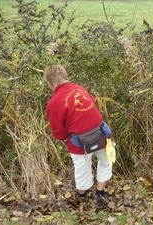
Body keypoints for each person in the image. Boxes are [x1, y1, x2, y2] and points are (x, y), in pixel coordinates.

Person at [44, 65, 112, 206]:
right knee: (105, 162)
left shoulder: (54, 103)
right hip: (100, 134)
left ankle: (82, 198)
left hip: (78, 142)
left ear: (50, 84)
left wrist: (66, 135)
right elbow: (91, 102)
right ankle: (100, 194)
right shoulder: (79, 88)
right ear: (65, 77)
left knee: (82, 169)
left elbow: (59, 133)